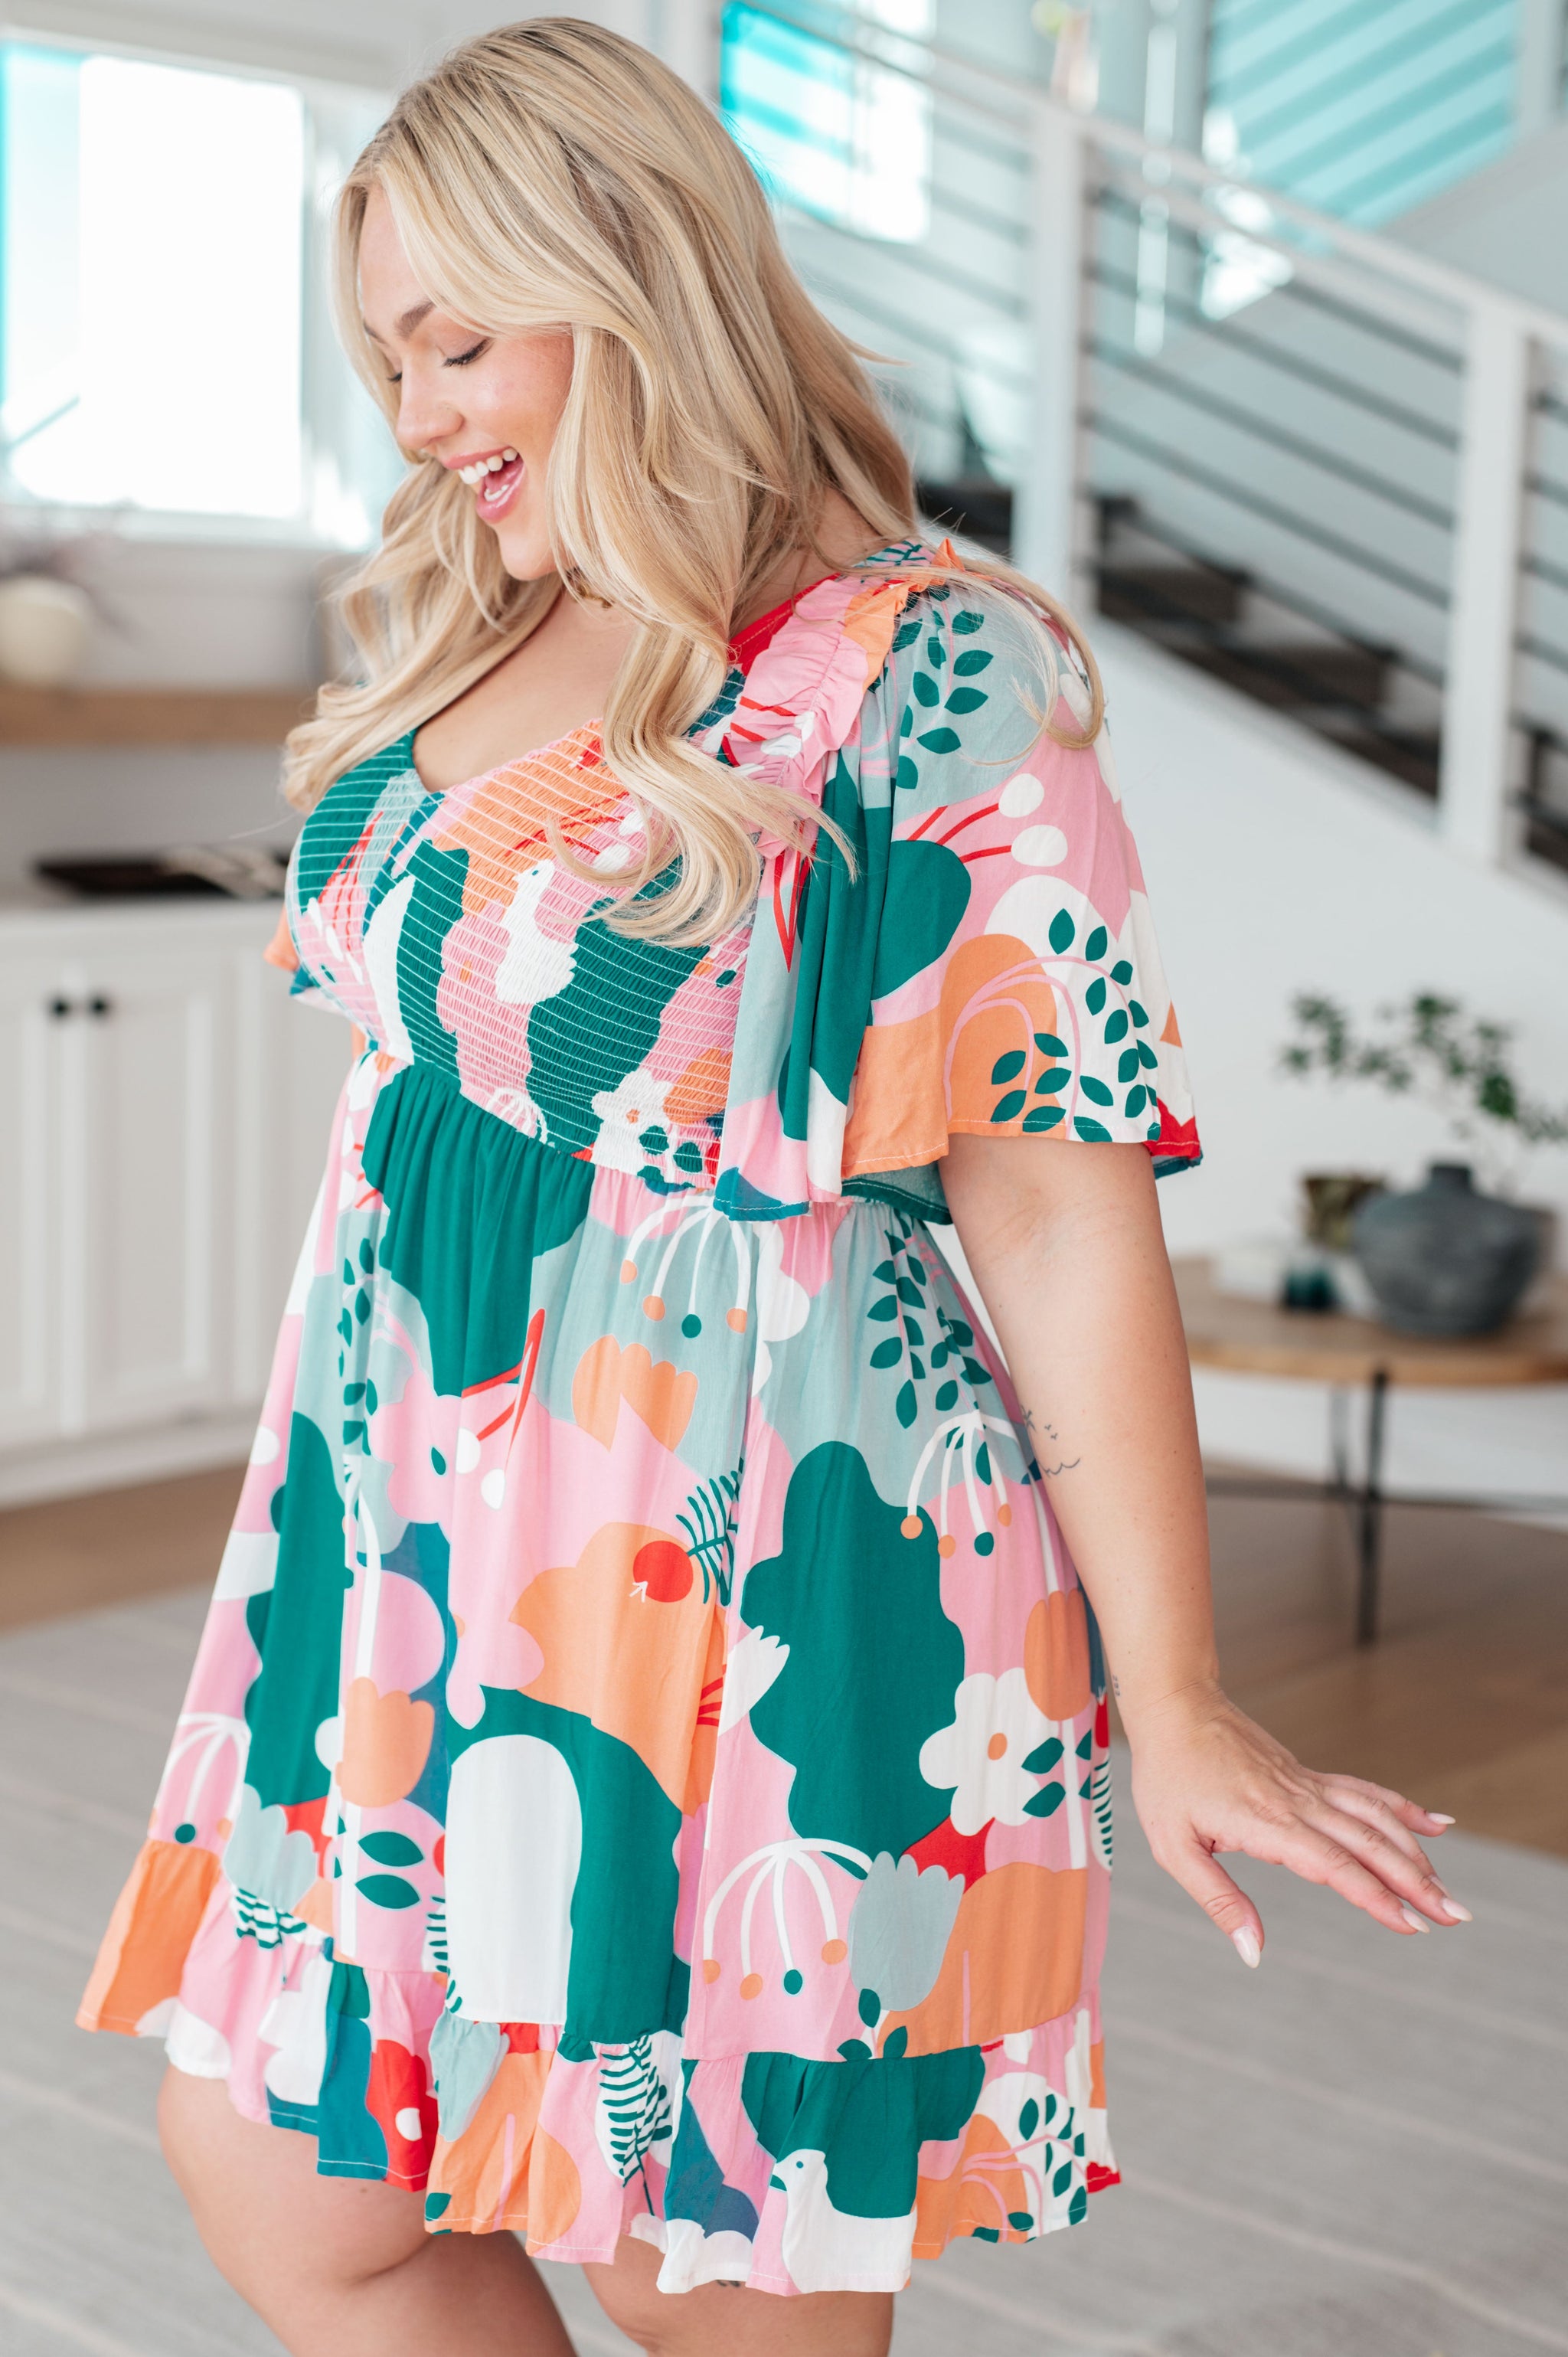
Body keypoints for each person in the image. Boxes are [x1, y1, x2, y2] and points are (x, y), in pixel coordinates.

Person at [77, 21, 1468, 2357]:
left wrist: (1182, 1692)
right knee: (288, 2171)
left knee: (689, 2254)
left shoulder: (930, 669)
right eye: (387, 357)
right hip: (414, 1519)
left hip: (748, 1543)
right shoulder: (492, 604)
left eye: (456, 342)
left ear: (625, 275)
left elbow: (1055, 1196)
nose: (416, 414)